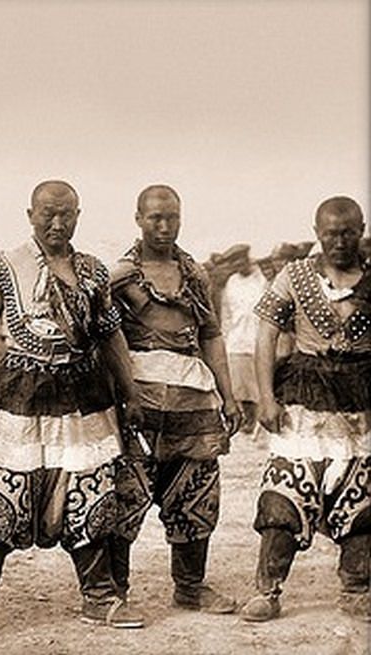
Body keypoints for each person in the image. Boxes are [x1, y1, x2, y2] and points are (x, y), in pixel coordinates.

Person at [0, 179, 145, 637]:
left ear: (79, 216)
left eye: (66, 214)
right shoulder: (1, 266)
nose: (57, 223)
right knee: (0, 492)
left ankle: (99, 598)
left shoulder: (94, 271)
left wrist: (130, 392)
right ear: (30, 215)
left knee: (91, 490)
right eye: (47, 213)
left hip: (84, 396)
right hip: (19, 394)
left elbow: (109, 335)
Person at [107, 185, 240, 616]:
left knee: (196, 492)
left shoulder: (196, 274)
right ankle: (115, 591)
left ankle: (190, 587)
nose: (164, 227)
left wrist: (228, 396)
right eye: (155, 218)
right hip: (138, 397)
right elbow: (104, 340)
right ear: (138, 218)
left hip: (192, 399)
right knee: (127, 492)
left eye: (172, 218)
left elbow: (211, 335)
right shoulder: (121, 276)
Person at [241, 196, 370, 622]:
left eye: (348, 232)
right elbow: (265, 336)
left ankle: (357, 589)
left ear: (361, 230)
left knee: (363, 501)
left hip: (360, 405)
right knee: (284, 495)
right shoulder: (292, 277)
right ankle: (268, 590)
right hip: (303, 401)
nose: (339, 240)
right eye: (331, 233)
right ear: (317, 233)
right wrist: (265, 396)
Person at [219, 245, 266, 434]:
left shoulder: (261, 279)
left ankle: (260, 421)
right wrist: (225, 336)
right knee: (240, 385)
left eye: (240, 260)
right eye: (233, 262)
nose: (238, 265)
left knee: (258, 383)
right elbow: (227, 313)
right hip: (237, 340)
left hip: (257, 338)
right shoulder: (232, 282)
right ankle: (247, 420)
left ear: (247, 259)